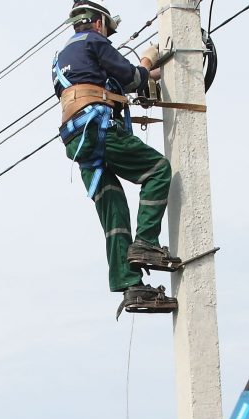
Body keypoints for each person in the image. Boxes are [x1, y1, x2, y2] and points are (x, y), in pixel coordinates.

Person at [52, 0, 182, 319]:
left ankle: (130, 284)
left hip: (77, 142)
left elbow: (100, 85)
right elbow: (130, 77)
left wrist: (136, 80)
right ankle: (147, 244)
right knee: (157, 171)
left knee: (114, 210)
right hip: (100, 130)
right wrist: (148, 62)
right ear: (98, 23)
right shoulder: (95, 42)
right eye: (107, 29)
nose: (108, 36)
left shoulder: (62, 57)